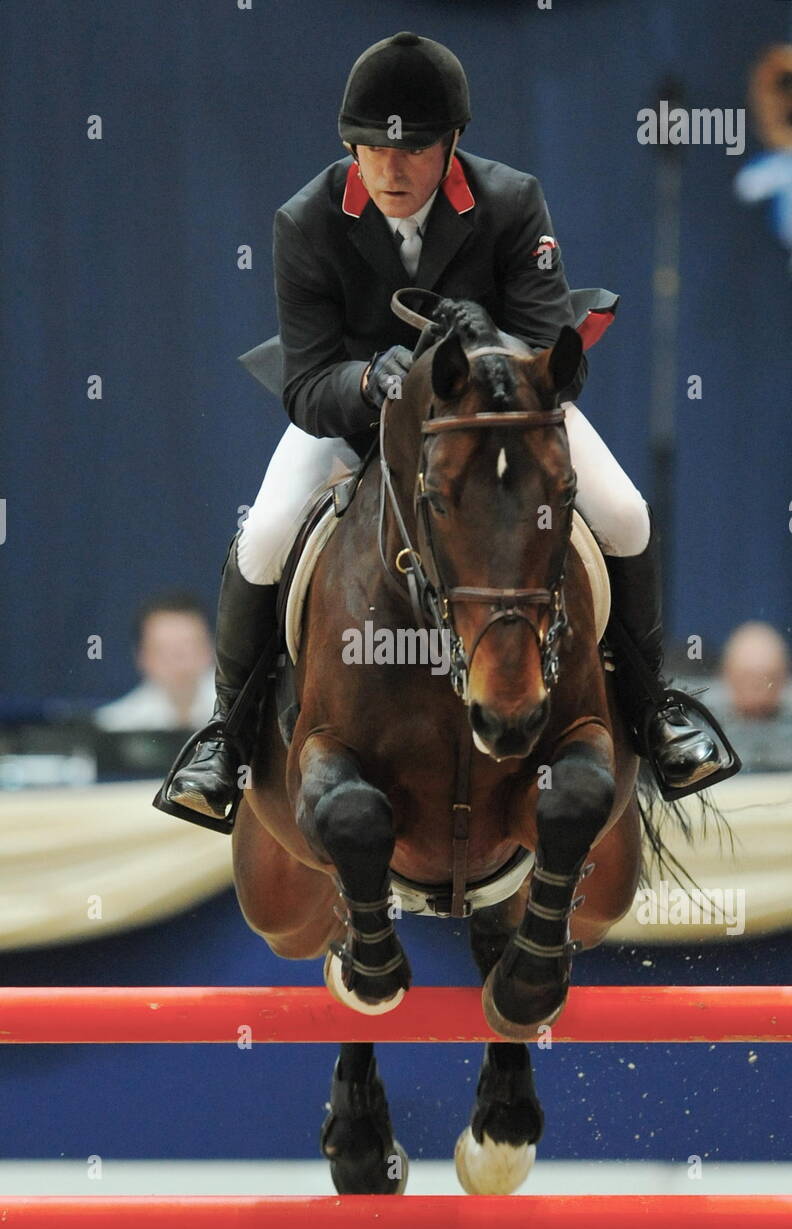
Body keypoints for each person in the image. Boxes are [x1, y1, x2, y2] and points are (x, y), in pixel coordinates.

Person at [158, 30, 733, 831]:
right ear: (351, 147)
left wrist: (486, 353)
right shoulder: (306, 221)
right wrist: (373, 381)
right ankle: (226, 739)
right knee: (265, 537)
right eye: (372, 150)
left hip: (496, 423)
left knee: (628, 514)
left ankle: (655, 713)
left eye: (416, 149)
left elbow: (550, 354)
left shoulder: (510, 201)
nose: (392, 169)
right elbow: (306, 382)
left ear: (452, 143)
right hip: (360, 423)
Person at [95, 592, 215, 732]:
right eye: (164, 652)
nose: (178, 663)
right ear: (142, 657)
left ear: (210, 650)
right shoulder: (116, 726)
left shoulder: (242, 715)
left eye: (188, 649)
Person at [705, 621, 792, 772]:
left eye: (769, 678)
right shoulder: (701, 726)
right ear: (727, 676)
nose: (757, 687)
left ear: (784, 679)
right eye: (746, 678)